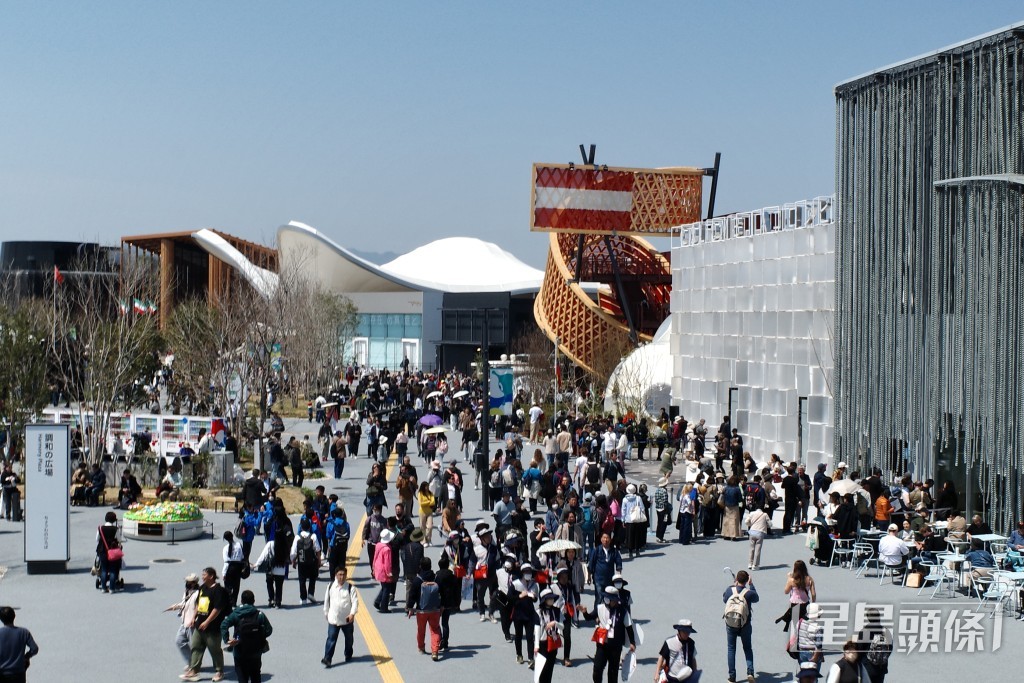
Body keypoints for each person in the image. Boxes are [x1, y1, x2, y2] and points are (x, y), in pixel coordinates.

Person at [182, 567, 228, 682]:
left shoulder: (219, 591)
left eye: (204, 575)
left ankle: (219, 671)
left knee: (215, 650)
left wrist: (207, 622)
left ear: (211, 576)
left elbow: (217, 609)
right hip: (199, 625)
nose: (202, 577)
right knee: (196, 647)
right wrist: (194, 617)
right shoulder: (202, 588)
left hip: (213, 627)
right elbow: (198, 604)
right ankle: (194, 671)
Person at [219, 589, 272, 683]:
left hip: (239, 651)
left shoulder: (236, 614)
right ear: (254, 601)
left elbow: (224, 625)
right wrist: (260, 636)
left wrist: (227, 640)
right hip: (256, 652)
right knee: (256, 676)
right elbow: (269, 630)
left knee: (242, 677)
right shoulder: (259, 614)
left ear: (241, 601)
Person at [592, 586, 636, 683]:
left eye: (609, 598)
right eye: (606, 597)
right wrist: (584, 612)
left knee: (613, 672)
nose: (606, 600)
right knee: (597, 668)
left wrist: (632, 642)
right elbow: (589, 617)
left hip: (616, 646)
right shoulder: (600, 608)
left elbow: (629, 627)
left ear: (615, 600)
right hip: (602, 645)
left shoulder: (623, 611)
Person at [723, 569, 758, 683]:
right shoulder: (749, 593)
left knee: (731, 649)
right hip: (745, 625)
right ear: (747, 580)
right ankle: (750, 672)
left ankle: (732, 677)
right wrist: (751, 585)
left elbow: (724, 599)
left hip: (730, 624)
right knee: (747, 648)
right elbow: (756, 598)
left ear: (737, 579)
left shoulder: (730, 590)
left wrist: (733, 586)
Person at [406, 557, 443, 661]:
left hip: (421, 610)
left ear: (421, 566)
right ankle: (435, 651)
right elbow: (442, 593)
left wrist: (410, 608)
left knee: (421, 630)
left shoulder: (418, 580)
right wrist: (442, 605)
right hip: (435, 609)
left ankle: (421, 647)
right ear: (430, 566)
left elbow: (412, 595)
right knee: (435, 630)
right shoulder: (436, 578)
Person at [322, 567, 358, 667]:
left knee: (349, 638)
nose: (341, 577)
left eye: (343, 575)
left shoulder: (350, 588)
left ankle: (348, 654)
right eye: (339, 575)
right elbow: (326, 600)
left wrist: (352, 614)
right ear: (336, 575)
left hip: (346, 619)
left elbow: (355, 602)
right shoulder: (330, 586)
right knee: (331, 639)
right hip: (333, 618)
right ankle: (327, 658)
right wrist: (326, 612)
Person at [165, 573, 201, 665]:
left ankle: (195, 665)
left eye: (188, 581)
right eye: (186, 581)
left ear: (194, 583)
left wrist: (194, 618)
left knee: (194, 645)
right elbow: (184, 603)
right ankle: (191, 662)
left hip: (192, 623)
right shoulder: (187, 591)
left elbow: (199, 607)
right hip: (184, 621)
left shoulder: (198, 593)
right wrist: (175, 606)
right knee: (179, 641)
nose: (186, 583)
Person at [854, 607, 893, 683]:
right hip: (881, 667)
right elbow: (890, 648)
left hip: (867, 667)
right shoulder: (885, 631)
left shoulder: (864, 632)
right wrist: (882, 658)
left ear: (868, 618)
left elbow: (859, 651)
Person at [0, 606, 38, 681]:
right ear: (14, 616)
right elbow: (34, 649)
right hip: (19, 674)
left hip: (2, 674)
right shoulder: (24, 632)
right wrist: (26, 657)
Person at [587, 532, 622, 611]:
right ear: (601, 539)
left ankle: (608, 613)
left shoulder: (614, 551)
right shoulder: (597, 550)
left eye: (607, 538)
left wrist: (619, 573)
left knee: (609, 597)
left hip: (609, 579)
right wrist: (589, 576)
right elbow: (591, 564)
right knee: (599, 597)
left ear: (610, 539)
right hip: (598, 579)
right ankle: (596, 614)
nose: (606, 540)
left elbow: (618, 561)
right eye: (604, 538)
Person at [290, 518, 323, 604]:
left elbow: (293, 552)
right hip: (312, 561)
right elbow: (317, 549)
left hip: (301, 561)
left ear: (301, 527)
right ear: (309, 527)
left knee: (302, 580)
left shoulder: (297, 537)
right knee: (313, 577)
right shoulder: (313, 536)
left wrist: (293, 561)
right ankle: (311, 593)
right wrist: (319, 560)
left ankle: (303, 598)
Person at [533, 589, 562, 683]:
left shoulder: (556, 610)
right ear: (544, 600)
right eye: (549, 598)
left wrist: (555, 623)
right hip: (542, 643)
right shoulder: (538, 612)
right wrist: (536, 645)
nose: (551, 600)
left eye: (552, 598)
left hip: (553, 641)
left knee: (550, 667)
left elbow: (562, 626)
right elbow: (537, 629)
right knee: (542, 668)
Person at [779, 560, 816, 631]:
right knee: (804, 624)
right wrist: (813, 603)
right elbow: (813, 594)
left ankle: (795, 637)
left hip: (795, 605)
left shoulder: (792, 580)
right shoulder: (809, 579)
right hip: (805, 604)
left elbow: (786, 591)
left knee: (795, 626)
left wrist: (788, 578)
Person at [95, 510, 122, 593]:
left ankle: (103, 588)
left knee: (104, 569)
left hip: (102, 550)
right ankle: (112, 588)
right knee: (113, 569)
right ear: (114, 520)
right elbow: (119, 540)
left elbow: (97, 539)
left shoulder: (100, 528)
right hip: (113, 551)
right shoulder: (115, 529)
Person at [793, 603, 824, 673]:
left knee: (804, 675)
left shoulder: (800, 622)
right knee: (813, 676)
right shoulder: (818, 627)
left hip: (802, 652)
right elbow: (819, 645)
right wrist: (816, 657)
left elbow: (796, 635)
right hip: (812, 654)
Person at [372, 529, 396, 613]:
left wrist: (373, 568)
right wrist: (389, 573)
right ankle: (384, 607)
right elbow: (387, 563)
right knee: (387, 589)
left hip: (378, 568)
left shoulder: (378, 545)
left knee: (384, 587)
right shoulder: (387, 549)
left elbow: (375, 557)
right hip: (384, 571)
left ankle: (378, 601)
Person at [221, 531, 246, 607]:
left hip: (229, 567)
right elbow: (242, 556)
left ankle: (229, 602)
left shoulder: (225, 548)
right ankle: (234, 602)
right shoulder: (239, 545)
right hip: (238, 567)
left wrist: (224, 573)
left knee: (228, 586)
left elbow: (226, 561)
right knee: (236, 586)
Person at [746, 505, 770, 571]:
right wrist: (766, 526)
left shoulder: (752, 513)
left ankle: (750, 563)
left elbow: (746, 522)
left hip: (752, 532)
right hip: (760, 533)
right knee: (758, 549)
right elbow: (770, 524)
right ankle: (755, 565)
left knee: (751, 549)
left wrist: (750, 525)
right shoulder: (765, 514)